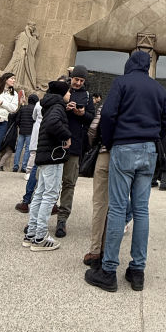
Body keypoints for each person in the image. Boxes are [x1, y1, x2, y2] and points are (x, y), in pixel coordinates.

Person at [85, 49, 166, 293]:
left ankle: (109, 270)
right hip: (149, 150)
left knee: (118, 208)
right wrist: (153, 138)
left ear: (130, 63)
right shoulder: (159, 89)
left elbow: (109, 114)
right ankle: (137, 271)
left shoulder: (121, 82)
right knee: (141, 210)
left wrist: (111, 141)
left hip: (123, 146)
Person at [23, 81, 71, 251]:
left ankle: (32, 233)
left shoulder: (48, 105)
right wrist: (67, 136)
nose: (70, 94)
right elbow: (53, 125)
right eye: (68, 92)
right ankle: (41, 237)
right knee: (50, 195)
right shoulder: (58, 106)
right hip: (53, 155)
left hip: (44, 154)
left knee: (40, 194)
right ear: (62, 93)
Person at [55, 65, 95, 238]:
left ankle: (62, 219)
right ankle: (39, 217)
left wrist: (82, 113)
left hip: (75, 145)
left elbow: (92, 119)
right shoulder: (62, 90)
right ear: (71, 78)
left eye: (81, 80)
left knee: (69, 183)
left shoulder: (87, 96)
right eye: (76, 79)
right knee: (49, 182)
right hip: (56, 143)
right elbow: (48, 108)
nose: (78, 83)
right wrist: (65, 105)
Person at [83, 91, 112, 268]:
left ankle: (95, 251)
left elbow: (93, 129)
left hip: (105, 153)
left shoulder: (106, 105)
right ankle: (109, 250)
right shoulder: (130, 107)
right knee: (115, 206)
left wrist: (94, 144)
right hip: (124, 156)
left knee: (100, 203)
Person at [13, 93, 38, 171]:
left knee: (18, 148)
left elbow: (17, 120)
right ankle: (24, 167)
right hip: (30, 132)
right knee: (28, 149)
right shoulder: (35, 109)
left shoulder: (23, 108)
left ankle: (15, 166)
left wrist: (21, 126)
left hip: (22, 131)